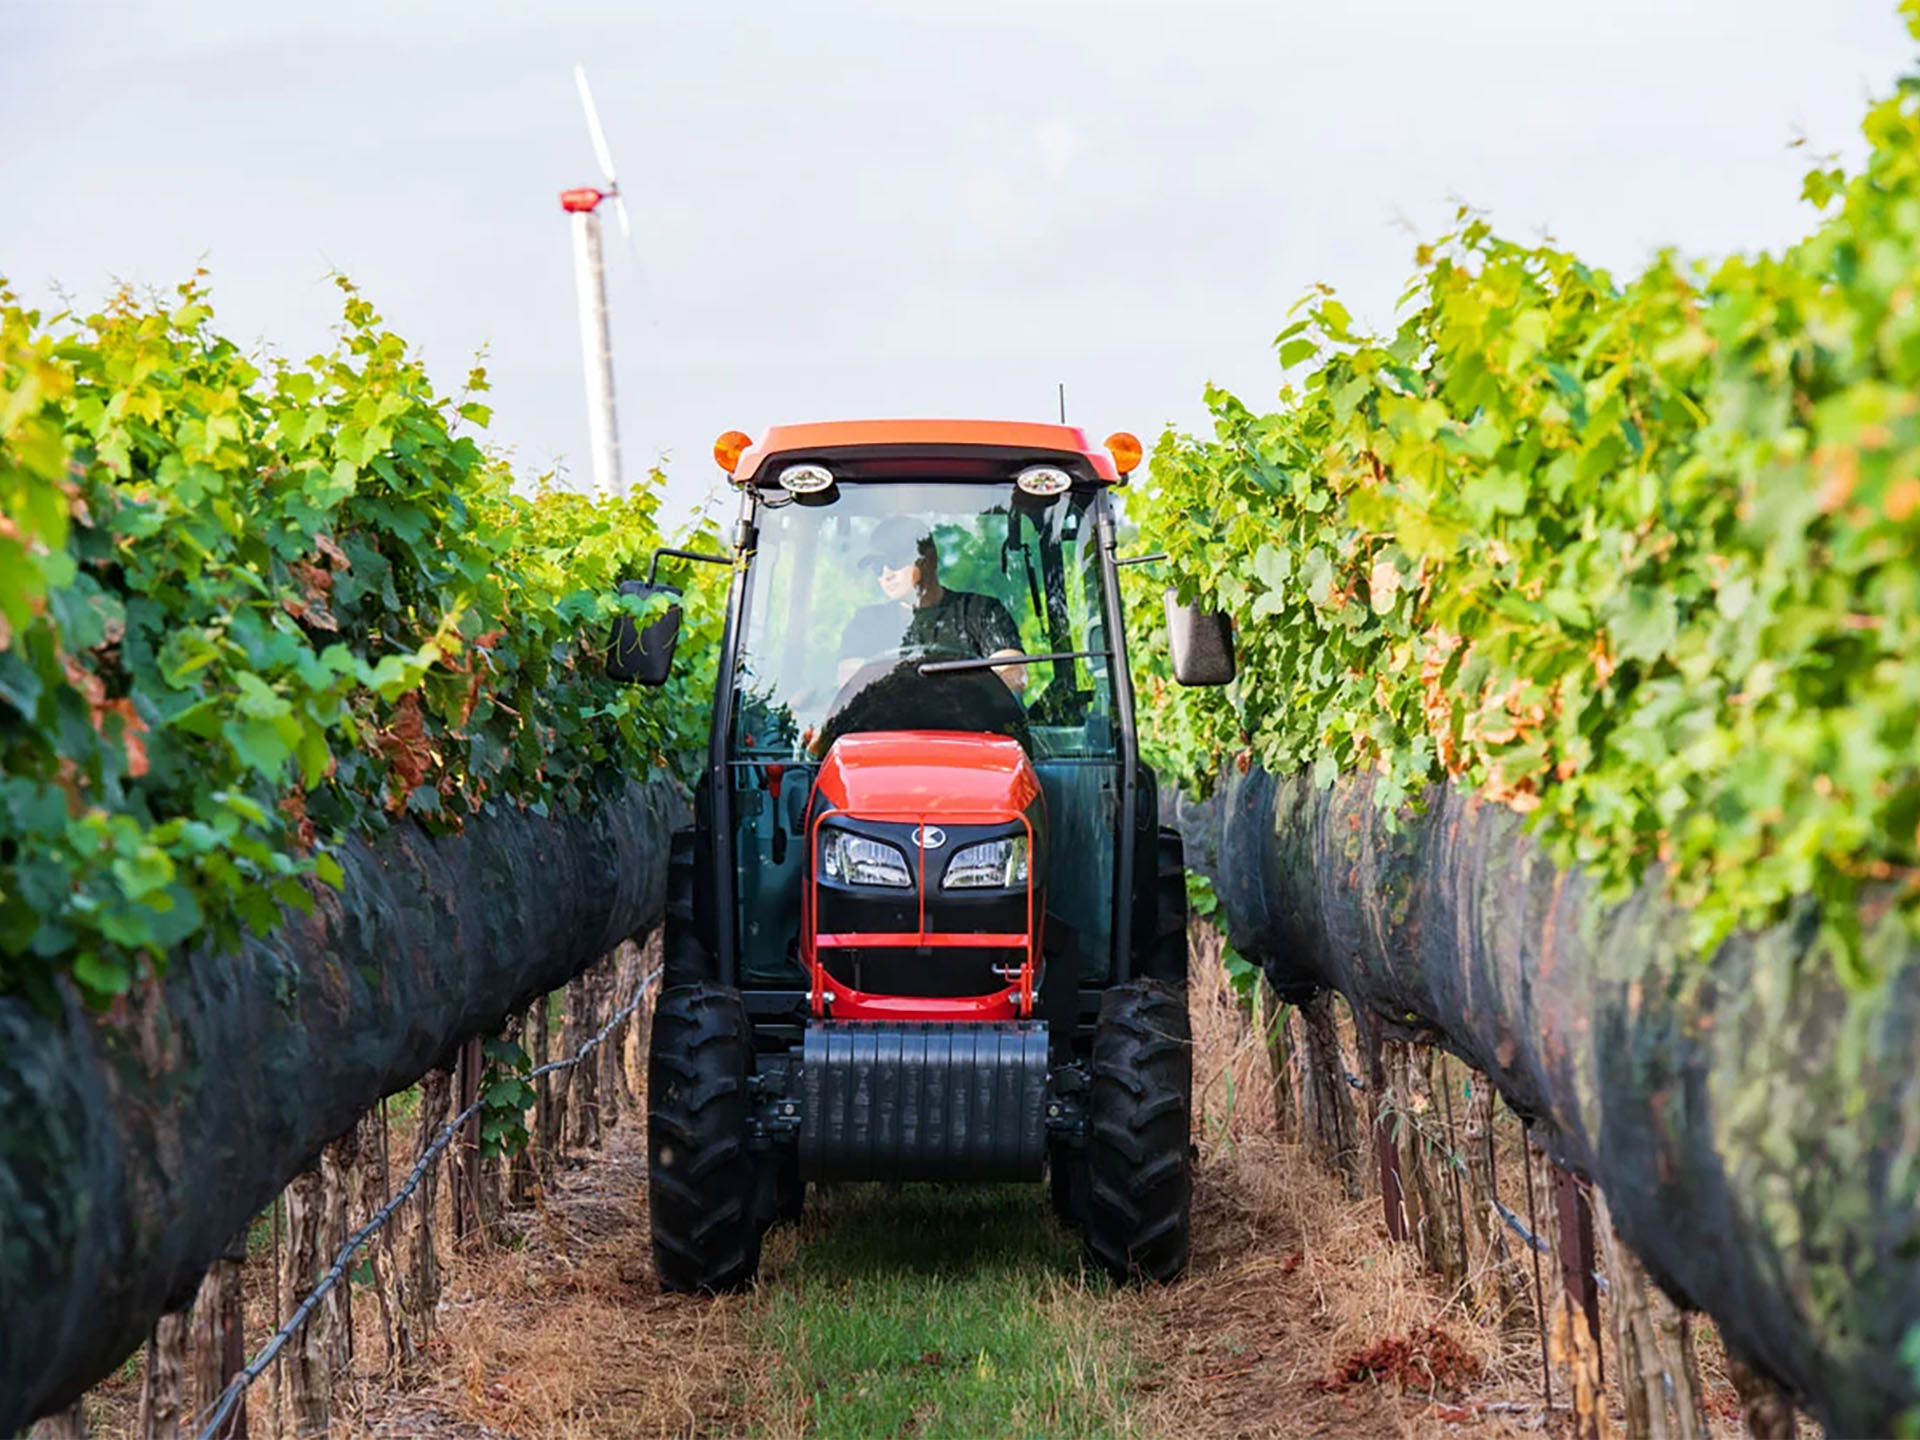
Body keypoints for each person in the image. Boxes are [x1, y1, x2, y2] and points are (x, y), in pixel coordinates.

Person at [837, 517, 1027, 693]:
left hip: (970, 725)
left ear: (930, 558)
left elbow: (1012, 676)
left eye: (893, 562)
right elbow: (851, 686)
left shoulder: (981, 611)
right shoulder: (865, 623)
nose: (886, 574)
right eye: (877, 567)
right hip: (887, 727)